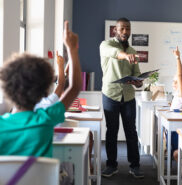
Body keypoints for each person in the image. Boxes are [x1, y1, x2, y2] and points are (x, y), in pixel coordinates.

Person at [0, 21, 82, 157]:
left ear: (7, 89)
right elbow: (75, 87)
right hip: (41, 179)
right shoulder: (46, 119)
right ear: (44, 91)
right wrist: (72, 49)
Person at [99, 17, 144, 178]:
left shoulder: (133, 51)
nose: (125, 31)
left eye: (128, 28)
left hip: (129, 96)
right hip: (110, 94)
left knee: (131, 131)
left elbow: (136, 73)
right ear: (115, 30)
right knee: (112, 131)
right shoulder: (106, 45)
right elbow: (113, 53)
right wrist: (124, 55)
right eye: (122, 28)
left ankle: (135, 166)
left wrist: (138, 82)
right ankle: (111, 165)